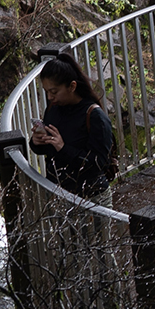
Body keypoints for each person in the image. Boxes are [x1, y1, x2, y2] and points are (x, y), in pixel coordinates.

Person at [29, 52, 115, 202]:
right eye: (47, 92)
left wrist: (63, 148)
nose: (49, 97)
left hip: (91, 197)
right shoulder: (54, 108)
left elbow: (97, 164)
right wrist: (37, 142)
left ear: (72, 86)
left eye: (54, 92)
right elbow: (50, 150)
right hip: (58, 192)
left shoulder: (95, 116)